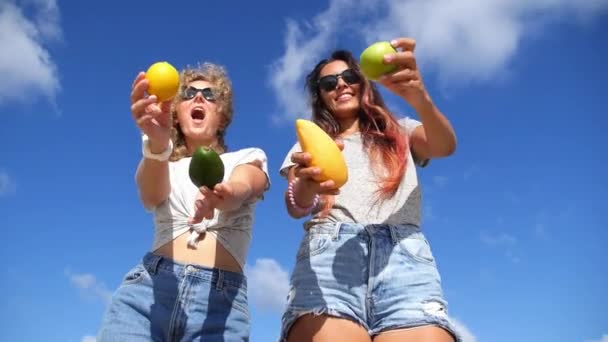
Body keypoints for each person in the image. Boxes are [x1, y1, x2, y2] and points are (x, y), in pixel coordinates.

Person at [279, 38, 461, 342]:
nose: (341, 85)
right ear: (321, 97)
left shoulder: (400, 130)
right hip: (329, 254)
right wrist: (307, 188)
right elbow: (296, 205)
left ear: (364, 84)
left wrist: (419, 97)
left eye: (349, 77)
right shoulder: (311, 141)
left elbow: (444, 146)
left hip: (403, 255)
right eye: (328, 83)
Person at [97, 62, 270, 341]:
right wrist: (156, 143)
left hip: (220, 304)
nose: (198, 97)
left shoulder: (247, 156)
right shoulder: (162, 162)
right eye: (188, 93)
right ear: (176, 112)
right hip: (149, 291)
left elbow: (247, 185)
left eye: (209, 94)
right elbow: (150, 195)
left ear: (222, 116)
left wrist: (223, 196)